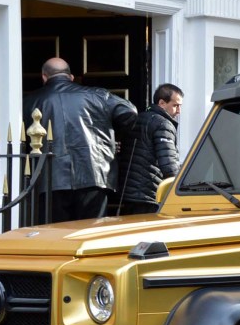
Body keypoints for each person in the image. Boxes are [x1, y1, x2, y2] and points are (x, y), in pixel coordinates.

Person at [23, 57, 138, 223]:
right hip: (93, 174)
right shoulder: (97, 95)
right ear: (71, 77)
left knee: (55, 235)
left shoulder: (30, 102)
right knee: (91, 233)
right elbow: (130, 112)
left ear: (44, 77)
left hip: (50, 178)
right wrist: (109, 139)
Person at [115, 83, 183, 215]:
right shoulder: (163, 124)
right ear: (162, 103)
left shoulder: (136, 118)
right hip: (148, 193)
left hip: (127, 193)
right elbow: (169, 165)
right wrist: (181, 187)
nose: (179, 111)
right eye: (176, 105)